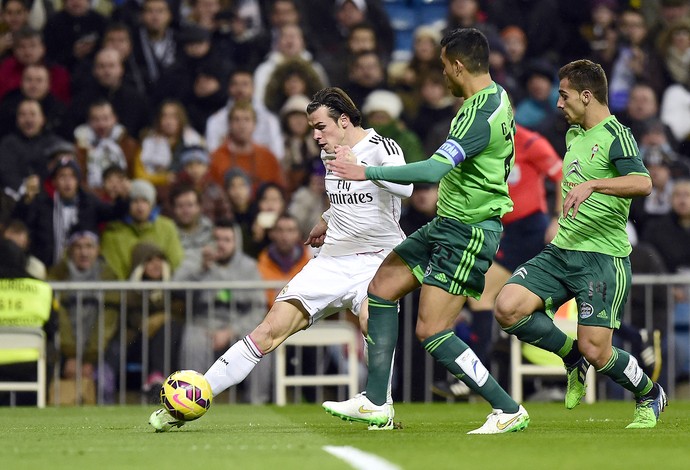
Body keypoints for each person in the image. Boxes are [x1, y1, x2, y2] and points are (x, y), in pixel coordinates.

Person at [148, 86, 412, 431]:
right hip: (332, 261)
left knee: (370, 320)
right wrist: (326, 219)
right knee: (268, 331)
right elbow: (350, 200)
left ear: (344, 120)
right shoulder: (329, 153)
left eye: (320, 126)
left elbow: (406, 187)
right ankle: (195, 397)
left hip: (378, 260)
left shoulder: (381, 147)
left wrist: (360, 167)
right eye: (312, 128)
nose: (315, 135)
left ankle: (381, 407)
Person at [324, 28, 528, 434]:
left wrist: (367, 172)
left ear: (457, 65)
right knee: (381, 288)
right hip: (447, 223)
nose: (442, 76)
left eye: (443, 68)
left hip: (467, 232)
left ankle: (507, 409)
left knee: (432, 330)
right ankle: (377, 402)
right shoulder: (498, 97)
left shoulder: (477, 115)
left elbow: (434, 171)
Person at [493, 59, 667, 429]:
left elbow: (643, 183)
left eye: (565, 94)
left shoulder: (616, 135)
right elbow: (568, 182)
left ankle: (650, 394)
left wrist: (594, 184)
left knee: (598, 350)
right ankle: (571, 356)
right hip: (562, 250)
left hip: (602, 258)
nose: (559, 103)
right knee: (507, 307)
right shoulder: (574, 135)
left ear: (587, 96)